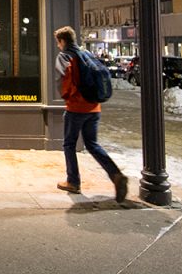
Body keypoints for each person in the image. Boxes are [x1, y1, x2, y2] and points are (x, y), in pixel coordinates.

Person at [54, 26, 128, 202]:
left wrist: (67, 97)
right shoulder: (85, 53)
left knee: (69, 144)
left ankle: (73, 181)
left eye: (58, 42)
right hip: (94, 108)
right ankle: (116, 175)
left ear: (63, 41)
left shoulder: (65, 56)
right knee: (92, 144)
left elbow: (64, 81)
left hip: (76, 108)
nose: (58, 46)